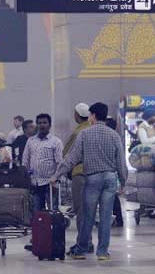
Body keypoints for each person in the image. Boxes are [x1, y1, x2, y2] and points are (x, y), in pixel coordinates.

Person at [51, 103, 125, 261]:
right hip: (110, 179)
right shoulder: (114, 135)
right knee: (105, 217)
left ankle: (81, 250)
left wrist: (57, 175)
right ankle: (103, 252)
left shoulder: (84, 134)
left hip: (92, 178)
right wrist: (123, 181)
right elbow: (121, 162)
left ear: (92, 115)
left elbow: (71, 158)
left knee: (87, 216)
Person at [64, 103, 91, 252]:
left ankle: (82, 244)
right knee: (89, 210)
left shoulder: (78, 132)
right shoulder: (93, 129)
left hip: (79, 174)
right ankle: (89, 242)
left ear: (77, 115)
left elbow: (67, 154)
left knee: (80, 210)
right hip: (94, 174)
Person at [22, 114, 63, 213]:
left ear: (49, 125)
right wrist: (26, 177)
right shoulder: (31, 141)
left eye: (45, 123)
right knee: (36, 212)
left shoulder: (56, 142)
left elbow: (59, 163)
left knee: (53, 212)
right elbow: (25, 160)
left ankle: (53, 229)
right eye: (39, 123)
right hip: (35, 182)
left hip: (50, 183)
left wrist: (56, 178)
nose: (42, 125)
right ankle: (39, 229)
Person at [105, 117, 125, 228]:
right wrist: (123, 179)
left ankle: (116, 219)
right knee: (113, 197)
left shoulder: (110, 137)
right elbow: (120, 161)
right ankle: (118, 219)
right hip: (113, 173)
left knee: (112, 198)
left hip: (109, 173)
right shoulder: (115, 137)